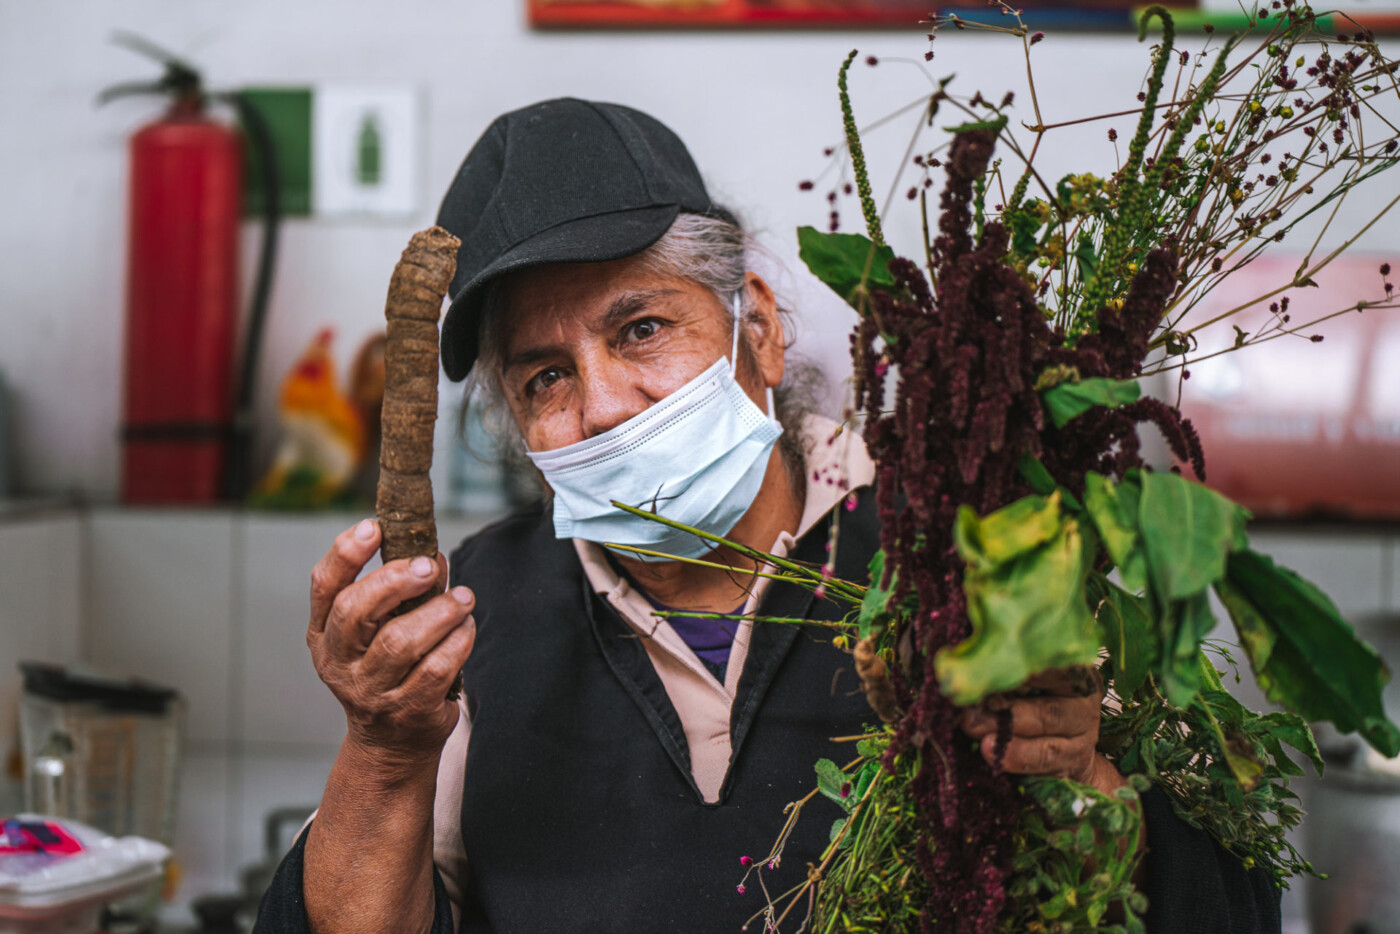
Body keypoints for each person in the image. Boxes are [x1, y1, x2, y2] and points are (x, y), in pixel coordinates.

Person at [253, 98, 1280, 933]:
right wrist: (384, 749)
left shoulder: (982, 546)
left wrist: (1081, 772)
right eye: (546, 375)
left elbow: (1228, 907)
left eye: (641, 328)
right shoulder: (482, 608)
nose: (603, 402)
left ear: (757, 327)